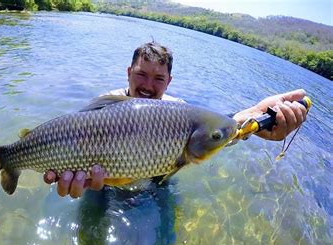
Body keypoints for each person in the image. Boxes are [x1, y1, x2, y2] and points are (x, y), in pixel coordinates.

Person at [43, 42, 308, 198]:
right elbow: (70, 138)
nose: (148, 86)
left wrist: (256, 116)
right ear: (128, 73)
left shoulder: (179, 111)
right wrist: (57, 160)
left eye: (158, 78)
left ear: (169, 82)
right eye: (141, 75)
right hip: (101, 190)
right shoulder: (106, 104)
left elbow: (218, 132)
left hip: (154, 190)